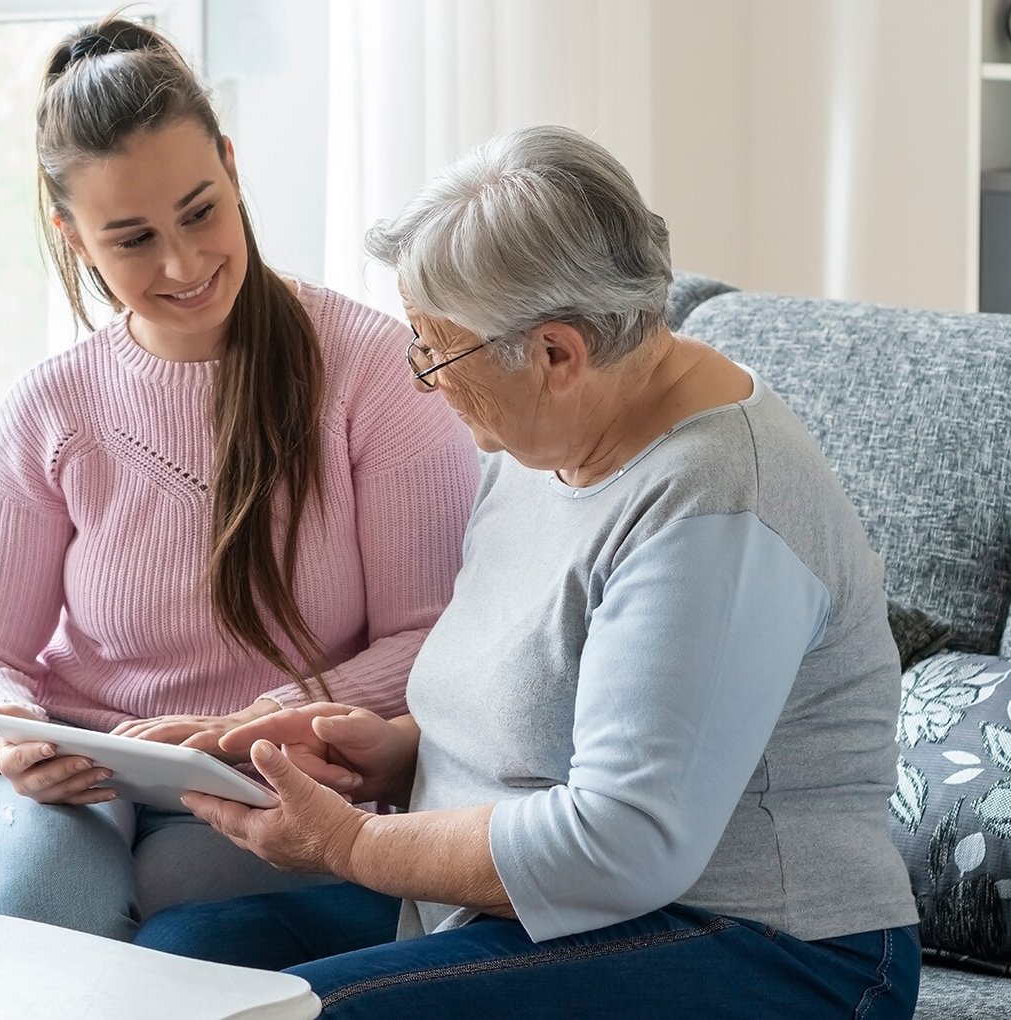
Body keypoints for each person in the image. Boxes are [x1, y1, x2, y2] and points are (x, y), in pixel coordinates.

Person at [133, 125, 923, 1018]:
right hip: (532, 909)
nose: (425, 379)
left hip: (763, 942)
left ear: (556, 353)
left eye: (437, 350)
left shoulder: (717, 505)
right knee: (180, 960)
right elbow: (552, 714)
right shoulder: (549, 435)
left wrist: (348, 844)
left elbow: (621, 845)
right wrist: (397, 754)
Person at [0, 15, 479, 942]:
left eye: (200, 210)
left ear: (232, 166)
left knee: (178, 891)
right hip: (74, 775)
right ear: (74, 237)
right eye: (130, 239)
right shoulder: (51, 406)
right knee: (56, 889)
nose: (182, 263)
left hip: (265, 770)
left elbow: (435, 637)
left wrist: (251, 722)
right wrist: (1, 729)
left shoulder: (373, 371)